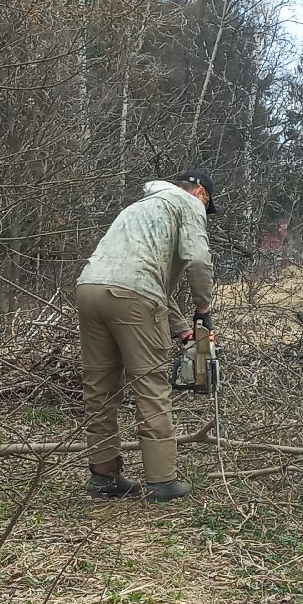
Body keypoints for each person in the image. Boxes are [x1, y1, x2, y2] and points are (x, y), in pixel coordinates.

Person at [76, 170, 215, 501]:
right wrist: (203, 310)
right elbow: (198, 261)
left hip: (89, 288)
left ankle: (103, 476)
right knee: (151, 385)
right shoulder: (188, 204)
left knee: (99, 389)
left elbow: (147, 281)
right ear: (201, 193)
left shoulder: (139, 207)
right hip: (133, 296)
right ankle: (162, 480)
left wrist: (184, 331)